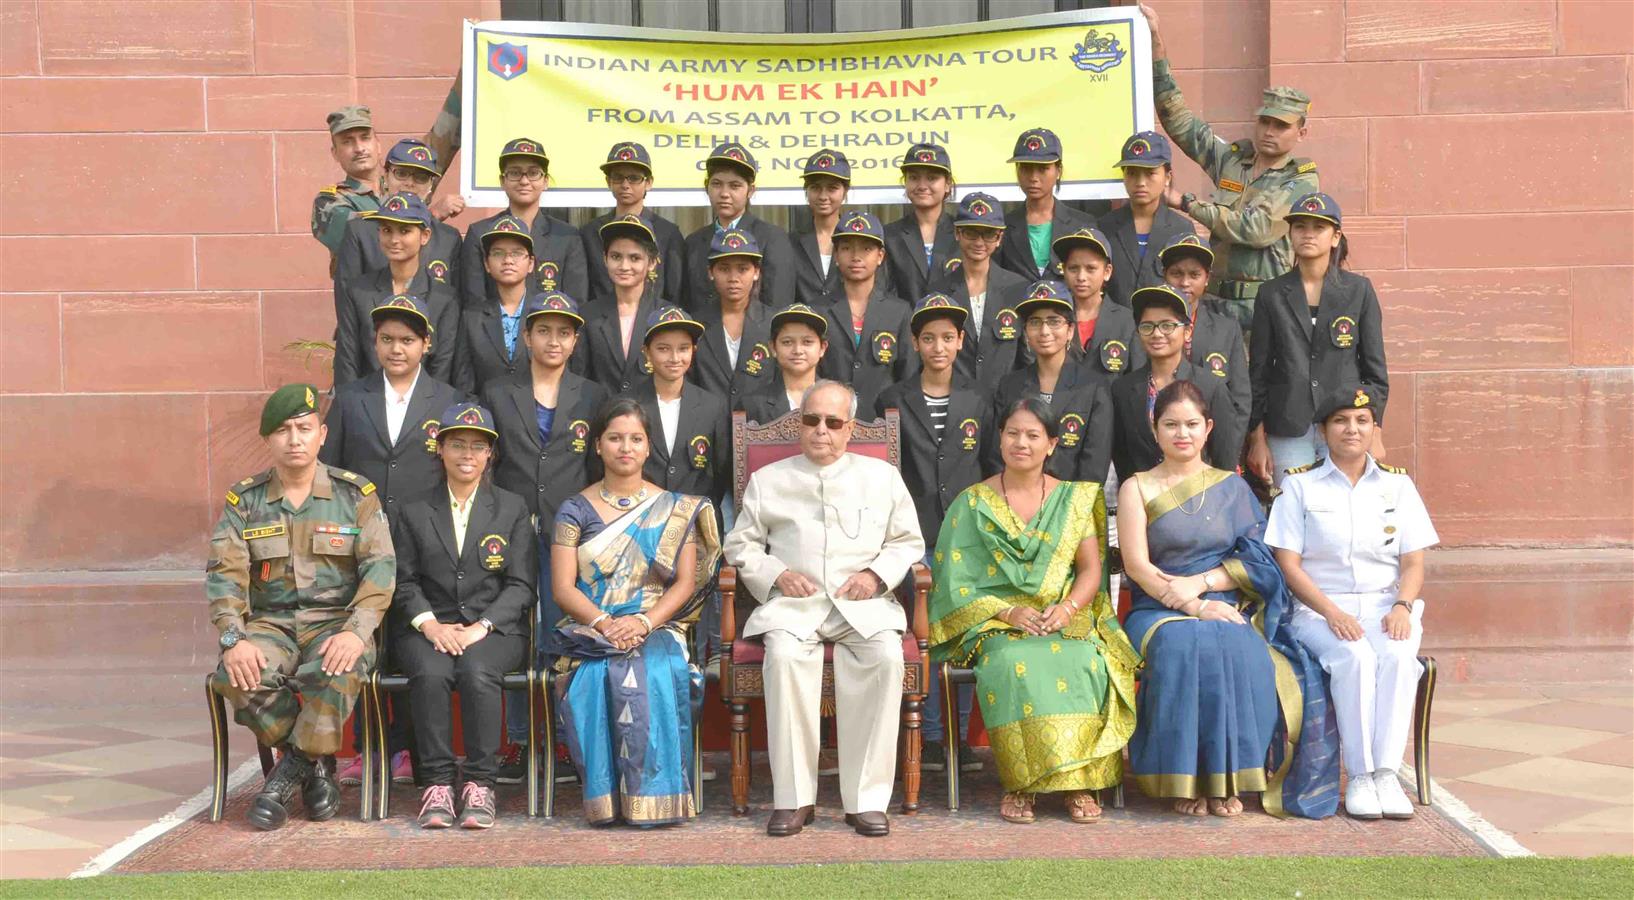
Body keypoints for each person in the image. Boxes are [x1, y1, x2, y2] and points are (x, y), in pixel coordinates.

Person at [1118, 380, 1339, 819]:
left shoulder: (1232, 488)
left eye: (1192, 424)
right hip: (1158, 607)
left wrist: (1203, 586)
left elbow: (1259, 561)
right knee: (1185, 647)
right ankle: (1187, 779)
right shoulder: (1136, 487)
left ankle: (1230, 780)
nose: (1182, 433)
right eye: (1171, 424)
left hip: (1224, 600)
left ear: (1208, 428)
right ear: (1154, 428)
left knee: (1239, 646)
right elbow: (1137, 566)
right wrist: (1191, 605)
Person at [723, 381, 925, 837]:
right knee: (785, 657)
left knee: (886, 657)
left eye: (833, 422)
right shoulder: (769, 480)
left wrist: (875, 576)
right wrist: (775, 574)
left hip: (863, 604)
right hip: (798, 606)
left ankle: (867, 802)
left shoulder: (882, 477)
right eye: (812, 420)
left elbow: (907, 541)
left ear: (850, 428)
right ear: (799, 424)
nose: (821, 431)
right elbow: (741, 543)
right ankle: (794, 801)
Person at [929, 397, 1138, 824]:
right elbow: (954, 583)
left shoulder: (1073, 500)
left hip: (1064, 616)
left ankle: (1078, 783)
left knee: (1086, 659)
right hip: (995, 623)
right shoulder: (971, 504)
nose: (1020, 443)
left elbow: (1090, 571)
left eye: (1032, 435)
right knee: (1011, 662)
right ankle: (1021, 784)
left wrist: (1068, 608)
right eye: (1012, 433)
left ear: (1051, 445)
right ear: (999, 438)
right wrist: (1007, 614)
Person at [208, 384, 394, 830]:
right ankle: (314, 765)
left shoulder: (355, 496)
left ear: (322, 434)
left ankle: (287, 770)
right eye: (284, 430)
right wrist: (233, 639)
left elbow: (381, 569)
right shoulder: (245, 501)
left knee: (340, 669)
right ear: (269, 440)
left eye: (304, 428)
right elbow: (224, 575)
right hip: (270, 626)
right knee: (233, 676)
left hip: (336, 624)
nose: (295, 439)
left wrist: (356, 631)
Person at [551, 398, 723, 826]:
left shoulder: (675, 508)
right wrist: (606, 623)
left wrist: (644, 621)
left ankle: (656, 799)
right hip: (591, 625)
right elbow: (561, 587)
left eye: (635, 439)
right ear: (597, 446)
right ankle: (607, 801)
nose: (624, 447)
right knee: (594, 676)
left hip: (656, 623)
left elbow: (684, 582)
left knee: (656, 667)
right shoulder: (574, 509)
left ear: (648, 448)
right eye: (614, 438)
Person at [1268, 385, 1437, 820]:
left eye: (1362, 421)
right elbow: (1289, 565)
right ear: (1323, 432)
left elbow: (1414, 563)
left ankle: (1386, 775)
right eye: (1341, 420)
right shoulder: (1300, 486)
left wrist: (1402, 606)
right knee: (1354, 658)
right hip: (1320, 607)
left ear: (1373, 429)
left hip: (1386, 603)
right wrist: (1331, 612)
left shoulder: (1398, 486)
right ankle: (1359, 776)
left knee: (1400, 659)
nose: (1352, 429)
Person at [320, 292, 464, 787]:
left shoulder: (447, 401)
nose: (396, 349)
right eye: (386, 340)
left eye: (407, 340)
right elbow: (331, 473)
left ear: (426, 344)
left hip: (425, 542)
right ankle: (369, 746)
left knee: (412, 643)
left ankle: (415, 751)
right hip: (361, 542)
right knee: (364, 640)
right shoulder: (352, 398)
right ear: (374, 343)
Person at [481, 292, 610, 778]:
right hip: (509, 526)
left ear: (575, 340)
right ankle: (517, 740)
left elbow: (597, 465)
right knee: (513, 630)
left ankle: (562, 740)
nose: (553, 340)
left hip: (570, 531)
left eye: (563, 332)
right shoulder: (495, 391)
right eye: (543, 330)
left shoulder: (592, 395)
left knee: (565, 630)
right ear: (527, 336)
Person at [390, 403, 536, 829]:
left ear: (490, 454)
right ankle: (436, 784)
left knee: (476, 671)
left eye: (477, 446)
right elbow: (403, 581)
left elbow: (521, 585)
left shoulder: (510, 508)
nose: (467, 454)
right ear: (440, 449)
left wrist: (481, 627)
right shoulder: (413, 509)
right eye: (457, 445)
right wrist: (430, 624)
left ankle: (479, 785)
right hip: (426, 628)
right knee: (431, 673)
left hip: (495, 630)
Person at [1143, 3, 1320, 333]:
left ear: (1301, 132)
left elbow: (1257, 231)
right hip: (1215, 304)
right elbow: (1178, 121)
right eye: (1264, 121)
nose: (1269, 131)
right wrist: (1156, 43)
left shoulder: (1301, 180)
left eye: (1280, 125)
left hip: (1266, 309)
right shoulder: (1233, 159)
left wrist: (1187, 204)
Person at [874, 293, 995, 773]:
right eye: (929, 338)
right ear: (915, 343)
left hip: (966, 533)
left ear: (961, 341)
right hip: (912, 533)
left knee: (959, 633)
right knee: (914, 633)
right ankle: (921, 734)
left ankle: (958, 739)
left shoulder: (978, 398)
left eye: (948, 337)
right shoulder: (893, 400)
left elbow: (989, 468)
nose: (939, 346)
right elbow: (886, 471)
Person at [1247, 192, 1388, 487]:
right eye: (1300, 227)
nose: (1308, 234)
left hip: (1344, 420)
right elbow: (1258, 371)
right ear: (1290, 235)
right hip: (1287, 425)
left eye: (1318, 227)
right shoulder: (1271, 293)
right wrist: (1257, 438)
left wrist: (1374, 430)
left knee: (1344, 503)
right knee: (1291, 505)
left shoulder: (1358, 290)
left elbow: (1374, 372)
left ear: (1335, 237)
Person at [1110, 285, 1243, 481]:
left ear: (1187, 331)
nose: (1157, 334)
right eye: (1147, 326)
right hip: (1144, 500)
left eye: (1167, 325)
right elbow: (1122, 459)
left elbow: (1225, 459)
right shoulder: (1123, 389)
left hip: (1198, 498)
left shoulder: (1210, 387)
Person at [991, 282, 1114, 485]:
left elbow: (1095, 464)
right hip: (1015, 500)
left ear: (1070, 330)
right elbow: (997, 454)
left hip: (1071, 504)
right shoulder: (1010, 385)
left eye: (1054, 321)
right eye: (1035, 322)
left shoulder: (1094, 387)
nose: (1044, 331)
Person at [333, 193, 459, 386]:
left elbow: (442, 367)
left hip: (424, 407)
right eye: (386, 230)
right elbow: (347, 360)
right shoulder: (358, 291)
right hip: (366, 402)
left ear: (424, 236)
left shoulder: (444, 298)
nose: (394, 239)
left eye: (404, 231)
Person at [460, 138, 587, 310]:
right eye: (514, 173)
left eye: (533, 173)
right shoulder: (480, 232)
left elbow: (576, 301)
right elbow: (473, 302)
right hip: (494, 333)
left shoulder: (567, 236)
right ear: (502, 181)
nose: (524, 181)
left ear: (546, 181)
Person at [816, 211, 917, 416]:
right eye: (846, 248)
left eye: (866, 249)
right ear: (835, 255)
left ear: (880, 256)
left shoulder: (899, 311)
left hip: (882, 423)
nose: (856, 257)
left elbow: (908, 377)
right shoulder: (818, 310)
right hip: (830, 421)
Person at [334, 138, 463, 290]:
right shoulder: (360, 232)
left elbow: (455, 299)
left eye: (421, 177)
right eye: (401, 173)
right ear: (386, 176)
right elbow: (347, 294)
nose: (409, 183)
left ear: (430, 185)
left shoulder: (448, 238)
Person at [930, 192, 1030, 386]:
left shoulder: (1018, 288)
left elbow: (1027, 354)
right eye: (971, 232)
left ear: (1000, 237)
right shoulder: (938, 292)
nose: (979, 242)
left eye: (989, 234)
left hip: (1006, 400)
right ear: (957, 233)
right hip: (957, 400)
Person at [682, 143, 796, 311]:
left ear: (750, 190)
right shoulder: (694, 241)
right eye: (716, 184)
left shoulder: (772, 238)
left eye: (735, 186)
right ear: (707, 186)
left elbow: (779, 304)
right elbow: (686, 302)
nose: (724, 193)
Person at [1157, 233, 1250, 429]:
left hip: (1214, 441)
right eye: (1176, 273)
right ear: (1164, 275)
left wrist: (1228, 450)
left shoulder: (1226, 329)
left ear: (1207, 278)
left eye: (1194, 275)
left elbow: (1240, 398)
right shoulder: (1146, 327)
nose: (1184, 282)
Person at [1097, 131, 1196, 310]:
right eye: (1132, 173)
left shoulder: (1181, 228)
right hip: (1117, 330)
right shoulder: (1105, 226)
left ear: (1167, 177)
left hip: (1164, 328)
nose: (1140, 182)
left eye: (1150, 173)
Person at [582, 142, 687, 304]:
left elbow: (675, 293)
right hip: (601, 324)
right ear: (608, 181)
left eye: (634, 178)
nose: (625, 185)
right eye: (618, 177)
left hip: (654, 324)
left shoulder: (668, 233)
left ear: (649, 182)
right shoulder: (590, 232)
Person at [689, 228, 776, 410]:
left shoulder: (774, 323)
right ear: (711, 272)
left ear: (756, 272)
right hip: (708, 429)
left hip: (759, 427)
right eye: (724, 269)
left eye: (743, 269)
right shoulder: (694, 325)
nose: (733, 278)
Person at [997, 128, 1095, 281]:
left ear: (1058, 171)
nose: (1034, 177)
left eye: (1043, 169)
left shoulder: (1083, 224)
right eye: (1026, 168)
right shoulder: (1003, 226)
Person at [451, 215, 533, 395]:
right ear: (487, 264)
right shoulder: (472, 317)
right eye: (498, 253)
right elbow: (463, 382)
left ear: (531, 263)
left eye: (517, 253)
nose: (508, 260)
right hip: (485, 417)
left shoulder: (544, 313)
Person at [582, 215, 664, 396]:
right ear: (605, 259)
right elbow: (580, 378)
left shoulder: (665, 315)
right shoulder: (589, 315)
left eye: (635, 258)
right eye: (616, 257)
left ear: (651, 263)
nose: (624, 266)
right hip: (602, 419)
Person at [1054, 225, 1145, 386]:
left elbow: (1137, 382)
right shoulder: (1053, 318)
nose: (1081, 277)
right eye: (1073, 268)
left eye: (1091, 269)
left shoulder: (1127, 322)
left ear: (1107, 271)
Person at [883, 142, 958, 306]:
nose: (922, 186)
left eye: (932, 178)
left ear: (947, 184)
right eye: (914, 178)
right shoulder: (889, 236)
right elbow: (885, 292)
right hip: (905, 328)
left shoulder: (964, 233)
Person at [740, 302, 830, 426]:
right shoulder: (753, 404)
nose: (798, 350)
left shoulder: (836, 400)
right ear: (773, 347)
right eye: (787, 342)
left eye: (807, 342)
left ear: (822, 348)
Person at [312, 105, 382, 261]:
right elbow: (368, 242)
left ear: (378, 145)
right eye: (347, 142)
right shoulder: (329, 202)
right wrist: (431, 216)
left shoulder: (404, 186)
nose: (359, 148)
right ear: (335, 153)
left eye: (365, 137)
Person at [790, 149, 851, 306]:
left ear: (845, 192)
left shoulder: (858, 239)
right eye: (815, 188)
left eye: (832, 188)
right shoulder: (790, 242)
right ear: (806, 191)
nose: (823, 196)